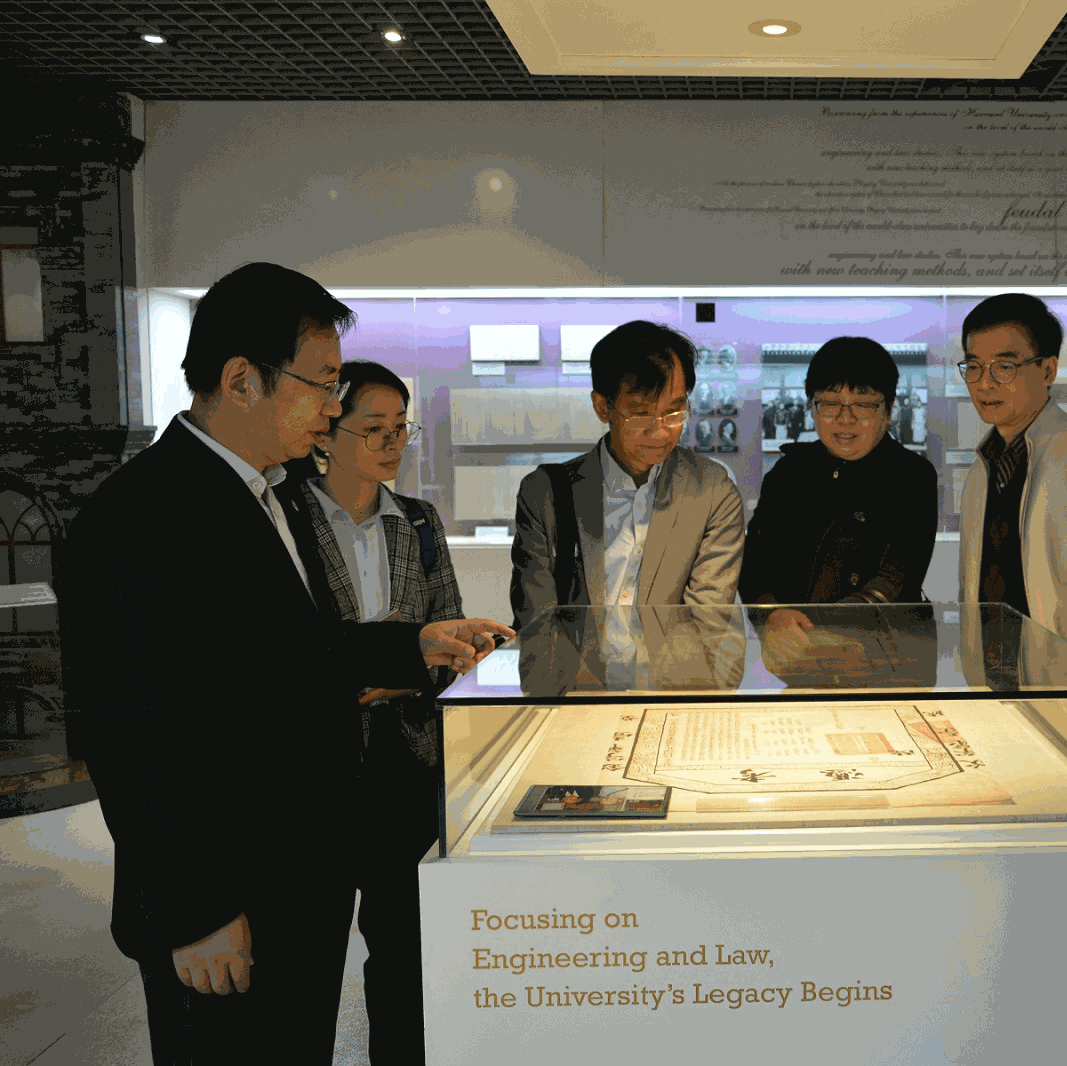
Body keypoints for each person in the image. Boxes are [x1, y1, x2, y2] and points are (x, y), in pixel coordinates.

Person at [56, 263, 512, 1066]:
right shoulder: (141, 514)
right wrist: (196, 910)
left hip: (297, 878)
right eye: (322, 383)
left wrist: (410, 644)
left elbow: (289, 652)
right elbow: (131, 731)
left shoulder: (266, 494)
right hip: (226, 899)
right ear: (242, 380)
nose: (334, 407)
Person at [277, 360, 458, 1065]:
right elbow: (281, 649)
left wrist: (409, 673)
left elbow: (445, 638)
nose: (392, 443)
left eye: (401, 428)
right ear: (327, 433)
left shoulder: (417, 521)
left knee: (406, 949)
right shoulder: (283, 516)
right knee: (303, 955)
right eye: (374, 428)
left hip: (404, 761)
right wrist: (376, 662)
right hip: (313, 767)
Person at [510, 320, 745, 631]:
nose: (661, 431)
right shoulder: (546, 494)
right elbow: (537, 622)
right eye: (641, 413)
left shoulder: (713, 491)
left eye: (674, 412)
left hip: (673, 663)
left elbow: (707, 621)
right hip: (574, 663)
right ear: (602, 407)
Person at [957, 292, 1067, 653]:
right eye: (974, 366)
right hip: (991, 670)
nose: (984, 383)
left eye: (1004, 366)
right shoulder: (982, 466)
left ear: (1048, 370)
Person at [740, 337, 938, 660]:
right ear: (812, 408)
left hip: (884, 654)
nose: (846, 419)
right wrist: (772, 615)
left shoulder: (912, 475)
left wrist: (823, 630)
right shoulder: (788, 472)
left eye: (863, 404)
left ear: (888, 410)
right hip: (798, 653)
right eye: (830, 403)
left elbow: (897, 575)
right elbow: (755, 562)